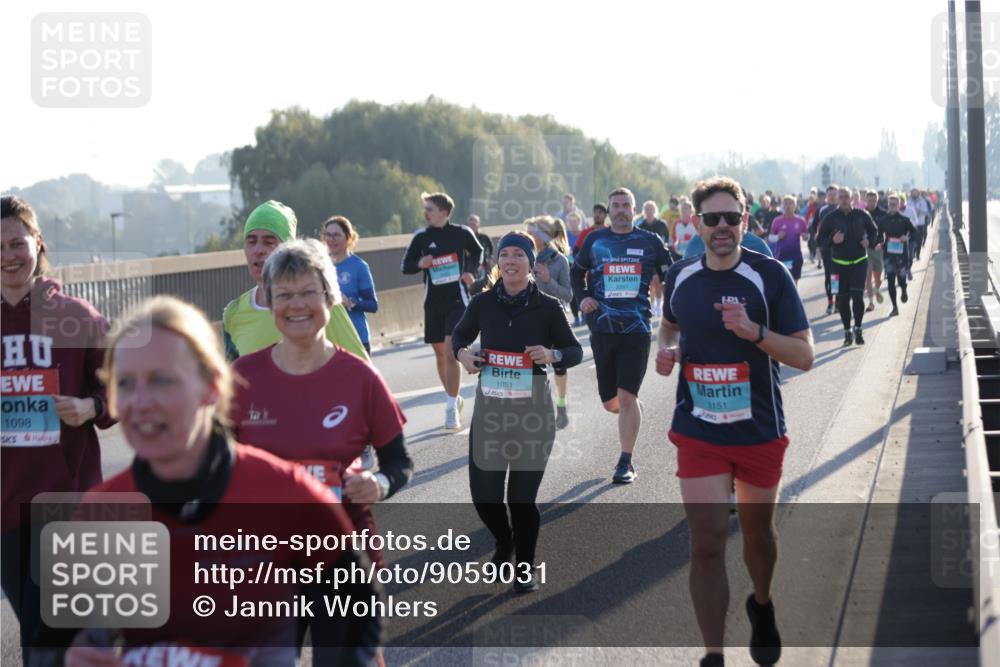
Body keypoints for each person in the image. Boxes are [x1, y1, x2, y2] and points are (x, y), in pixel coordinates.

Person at [64, 296, 383, 667]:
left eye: (162, 380)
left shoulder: (288, 494)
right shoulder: (100, 512)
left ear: (212, 387)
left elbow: (355, 619)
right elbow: (67, 640)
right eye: (125, 384)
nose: (142, 401)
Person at [656, 176, 814, 667]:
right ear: (696, 224)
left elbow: (805, 355)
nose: (722, 227)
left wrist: (755, 332)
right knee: (705, 543)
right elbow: (670, 325)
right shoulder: (682, 276)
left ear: (745, 221)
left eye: (731, 217)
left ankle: (761, 603)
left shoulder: (769, 276)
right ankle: (713, 654)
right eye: (711, 218)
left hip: (758, 430)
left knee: (757, 536)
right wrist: (668, 351)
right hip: (699, 430)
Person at [232, 239, 412, 568]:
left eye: (309, 292)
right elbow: (211, 464)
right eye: (285, 295)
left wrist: (379, 484)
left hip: (346, 552)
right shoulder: (241, 378)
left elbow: (399, 463)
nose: (297, 305)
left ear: (330, 299)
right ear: (271, 304)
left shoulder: (361, 379)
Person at [1, 195, 115, 664]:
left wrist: (90, 406)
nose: (8, 255)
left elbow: (125, 390)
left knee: (43, 641)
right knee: (42, 630)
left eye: (16, 243)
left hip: (66, 505)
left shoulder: (77, 318)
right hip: (6, 509)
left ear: (38, 242)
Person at [452, 231, 582, 593]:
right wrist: (463, 355)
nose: (510, 261)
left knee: (521, 500)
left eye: (518, 255)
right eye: (504, 255)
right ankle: (504, 540)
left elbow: (574, 351)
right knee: (485, 498)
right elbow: (459, 338)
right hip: (491, 413)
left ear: (531, 263)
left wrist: (553, 355)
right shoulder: (482, 304)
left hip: (533, 414)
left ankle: (524, 567)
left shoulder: (548, 307)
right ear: (497, 263)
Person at [571, 187, 672, 484]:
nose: (620, 210)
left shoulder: (649, 241)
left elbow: (671, 273)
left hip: (637, 328)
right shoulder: (594, 240)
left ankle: (625, 462)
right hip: (602, 328)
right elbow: (576, 273)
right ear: (609, 210)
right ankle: (632, 408)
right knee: (611, 402)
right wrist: (584, 297)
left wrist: (678, 304)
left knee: (626, 396)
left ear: (634, 208)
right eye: (615, 205)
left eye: (626, 205)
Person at [223, 200, 368, 361]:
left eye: (268, 242)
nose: (258, 250)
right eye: (251, 242)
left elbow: (360, 373)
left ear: (288, 250)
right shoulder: (234, 313)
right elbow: (229, 382)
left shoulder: (319, 303)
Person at [401, 192, 483, 430]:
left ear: (444, 213)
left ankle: (449, 408)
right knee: (440, 355)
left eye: (430, 209)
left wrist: (470, 271)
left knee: (450, 352)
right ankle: (454, 397)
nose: (425, 212)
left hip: (457, 301)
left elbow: (477, 252)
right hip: (433, 304)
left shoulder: (461, 233)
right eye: (425, 208)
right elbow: (405, 266)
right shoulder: (421, 237)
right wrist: (420, 264)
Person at [525, 216, 574, 429]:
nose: (527, 236)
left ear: (542, 237)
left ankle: (561, 406)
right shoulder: (523, 257)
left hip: (555, 319)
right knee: (532, 367)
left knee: (559, 366)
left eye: (531, 233)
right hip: (528, 318)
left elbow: (568, 295)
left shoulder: (560, 261)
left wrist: (548, 281)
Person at [817, 187, 880, 346]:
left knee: (858, 296)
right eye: (841, 197)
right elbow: (819, 239)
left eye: (847, 196)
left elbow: (874, 231)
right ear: (837, 199)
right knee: (842, 300)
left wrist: (869, 242)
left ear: (852, 198)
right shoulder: (830, 218)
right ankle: (847, 331)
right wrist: (832, 241)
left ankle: (858, 328)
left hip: (859, 262)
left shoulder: (862, 214)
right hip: (837, 266)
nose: (844, 199)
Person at [324, 216, 379, 356]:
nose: (331, 239)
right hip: (329, 339)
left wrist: (351, 303)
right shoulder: (318, 266)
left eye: (336, 235)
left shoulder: (359, 266)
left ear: (348, 238)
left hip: (355, 337)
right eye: (328, 235)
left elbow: (373, 305)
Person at [878, 194, 918, 317]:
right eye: (890, 204)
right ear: (888, 205)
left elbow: (914, 232)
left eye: (895, 204)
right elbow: (879, 235)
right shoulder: (883, 220)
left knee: (901, 279)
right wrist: (880, 243)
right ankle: (895, 307)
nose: (892, 206)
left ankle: (904, 289)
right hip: (889, 255)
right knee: (890, 281)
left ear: (899, 205)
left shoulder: (904, 219)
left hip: (902, 254)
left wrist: (907, 237)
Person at [683, 218, 774, 259]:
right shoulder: (695, 243)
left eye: (731, 216)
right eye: (713, 216)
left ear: (745, 218)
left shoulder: (758, 246)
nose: (722, 224)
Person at [767, 195, 809, 285]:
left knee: (794, 282)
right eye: (785, 204)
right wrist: (778, 237)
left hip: (796, 257)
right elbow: (770, 238)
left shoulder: (800, 220)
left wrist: (805, 237)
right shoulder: (777, 220)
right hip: (782, 256)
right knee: (784, 282)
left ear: (795, 205)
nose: (788, 206)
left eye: (790, 203)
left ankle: (794, 298)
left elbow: (806, 236)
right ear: (782, 206)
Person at [638, 200, 670, 314]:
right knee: (651, 282)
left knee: (660, 281)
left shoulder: (661, 224)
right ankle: (651, 304)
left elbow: (667, 238)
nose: (649, 211)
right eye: (647, 209)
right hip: (647, 258)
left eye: (651, 209)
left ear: (655, 210)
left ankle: (659, 303)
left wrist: (665, 245)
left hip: (661, 258)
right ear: (644, 211)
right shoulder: (641, 226)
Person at [813, 185, 839, 314]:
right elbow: (813, 227)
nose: (832, 197)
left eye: (834, 194)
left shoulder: (842, 209)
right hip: (827, 248)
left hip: (841, 249)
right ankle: (830, 302)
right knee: (829, 276)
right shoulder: (821, 209)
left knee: (838, 276)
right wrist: (817, 241)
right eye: (830, 195)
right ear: (826, 196)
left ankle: (838, 301)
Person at [862, 190, 887, 312]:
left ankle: (877, 290)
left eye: (874, 201)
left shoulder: (883, 214)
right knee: (867, 277)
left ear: (877, 200)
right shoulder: (861, 213)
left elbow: (889, 232)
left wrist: (883, 245)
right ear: (866, 200)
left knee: (878, 277)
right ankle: (871, 303)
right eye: (869, 200)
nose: (871, 203)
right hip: (866, 250)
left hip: (879, 249)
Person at [467, 214, 495, 278]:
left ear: (478, 224)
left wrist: (490, 258)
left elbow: (491, 248)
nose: (473, 223)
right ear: (468, 224)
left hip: (484, 267)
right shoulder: (463, 238)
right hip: (468, 269)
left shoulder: (485, 237)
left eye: (475, 221)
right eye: (471, 221)